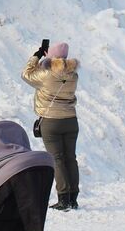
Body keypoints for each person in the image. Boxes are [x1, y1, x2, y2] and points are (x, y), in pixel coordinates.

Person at [22, 40, 81, 210]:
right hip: (71, 120)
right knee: (71, 158)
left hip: (51, 121)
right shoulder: (73, 75)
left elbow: (26, 74)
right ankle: (73, 198)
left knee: (57, 159)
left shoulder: (46, 75)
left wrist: (38, 55)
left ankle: (63, 199)